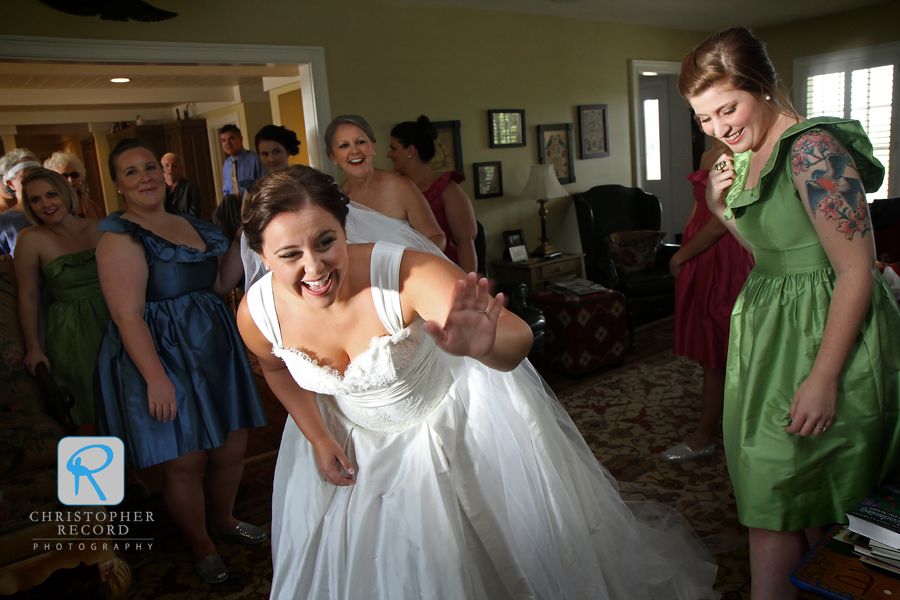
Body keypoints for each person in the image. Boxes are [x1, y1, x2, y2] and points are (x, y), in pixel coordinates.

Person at [236, 164, 718, 600]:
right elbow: (276, 367)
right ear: (259, 254)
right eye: (289, 254)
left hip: (446, 429)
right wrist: (317, 435)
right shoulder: (257, 315)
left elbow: (516, 338)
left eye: (326, 241)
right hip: (352, 445)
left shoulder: (405, 273)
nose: (315, 268)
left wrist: (484, 345)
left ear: (345, 228)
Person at [680, 27, 900, 598]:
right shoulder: (747, 153)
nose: (718, 128)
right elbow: (771, 250)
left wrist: (823, 379)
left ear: (763, 86)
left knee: (803, 496)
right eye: (703, 118)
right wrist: (717, 206)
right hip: (770, 339)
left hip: (824, 338)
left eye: (727, 107)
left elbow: (856, 269)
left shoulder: (813, 150)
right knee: (777, 493)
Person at [94, 138, 268, 584]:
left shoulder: (191, 224)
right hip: (162, 356)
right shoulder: (119, 238)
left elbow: (219, 282)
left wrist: (243, 233)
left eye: (150, 167)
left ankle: (225, 520)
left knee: (232, 449)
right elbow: (126, 315)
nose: (145, 177)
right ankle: (201, 543)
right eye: (131, 172)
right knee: (185, 461)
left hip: (214, 346)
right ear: (118, 185)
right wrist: (156, 379)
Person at [660, 138, 754, 463]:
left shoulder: (734, 156)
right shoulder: (708, 152)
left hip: (722, 257)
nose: (706, 124)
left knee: (719, 348)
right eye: (699, 116)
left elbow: (719, 223)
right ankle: (722, 422)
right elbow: (698, 204)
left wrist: (680, 256)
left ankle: (705, 435)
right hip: (699, 253)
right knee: (707, 347)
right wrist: (683, 247)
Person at [14, 168, 107, 426]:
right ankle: (95, 466)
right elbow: (29, 296)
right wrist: (34, 348)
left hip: (115, 320)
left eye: (51, 194)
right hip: (70, 333)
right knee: (87, 411)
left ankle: (133, 466)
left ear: (66, 193)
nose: (45, 204)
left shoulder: (101, 228)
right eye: (35, 199)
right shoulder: (30, 239)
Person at [324, 114, 447, 252]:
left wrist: (413, 268)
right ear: (333, 156)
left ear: (373, 146)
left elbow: (436, 237)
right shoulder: (336, 203)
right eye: (344, 145)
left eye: (360, 142)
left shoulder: (402, 187)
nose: (354, 151)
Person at [388, 115, 478, 273]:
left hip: (446, 274)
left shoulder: (448, 189)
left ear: (410, 150)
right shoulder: (396, 189)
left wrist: (468, 286)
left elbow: (466, 241)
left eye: (394, 148)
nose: (389, 154)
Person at [239, 124, 302, 289]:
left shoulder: (304, 182)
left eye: (276, 151)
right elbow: (249, 228)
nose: (271, 159)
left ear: (287, 151)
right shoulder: (253, 190)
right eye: (265, 154)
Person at [0, 149, 42, 256]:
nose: (34, 179)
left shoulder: (58, 210)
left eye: (38, 173)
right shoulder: (3, 223)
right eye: (26, 175)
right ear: (11, 184)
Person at [43, 151, 105, 220]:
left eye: (74, 175)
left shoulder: (92, 206)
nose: (71, 180)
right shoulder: (50, 208)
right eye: (64, 176)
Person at [219, 124, 264, 200]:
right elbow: (226, 190)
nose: (227, 143)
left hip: (251, 207)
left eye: (231, 138)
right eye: (223, 140)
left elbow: (264, 185)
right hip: (232, 209)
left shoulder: (254, 158)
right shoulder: (227, 164)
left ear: (240, 139)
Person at [160, 152, 203, 218]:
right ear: (162, 169)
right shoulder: (158, 189)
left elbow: (195, 217)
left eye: (174, 165)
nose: (170, 169)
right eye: (167, 165)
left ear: (181, 169)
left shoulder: (192, 189)